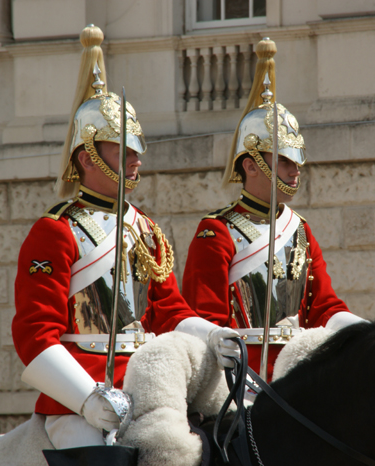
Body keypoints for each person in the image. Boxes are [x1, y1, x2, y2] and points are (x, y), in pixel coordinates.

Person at [12, 25, 237, 450]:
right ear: (87, 156)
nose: (137, 161)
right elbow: (35, 332)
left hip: (150, 381)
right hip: (83, 392)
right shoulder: (55, 230)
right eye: (124, 151)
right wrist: (84, 399)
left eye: (137, 151)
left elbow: (168, 312)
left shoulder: (145, 228)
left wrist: (209, 335)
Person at [181, 38, 365, 380]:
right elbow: (207, 319)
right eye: (282, 161)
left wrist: (367, 331)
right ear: (250, 166)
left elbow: (323, 307)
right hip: (242, 378)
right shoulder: (217, 231)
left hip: (298, 371)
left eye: (296, 161)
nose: (295, 170)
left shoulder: (299, 228)